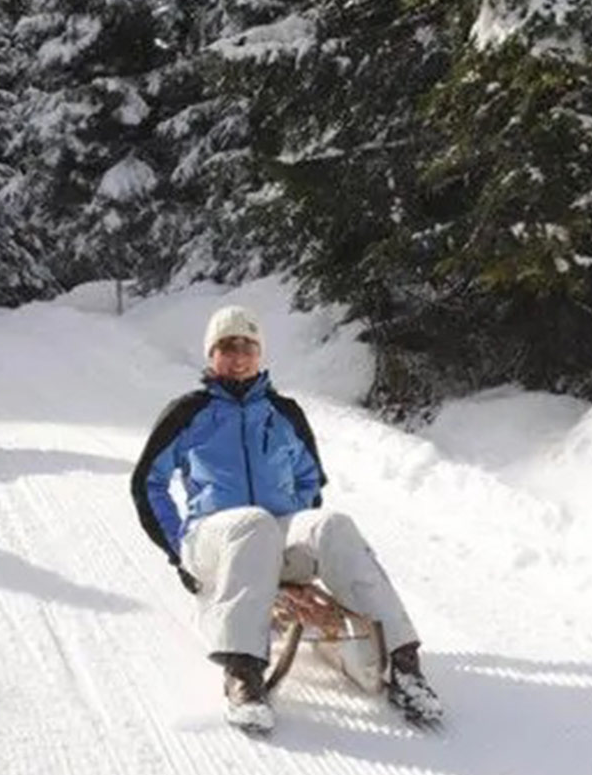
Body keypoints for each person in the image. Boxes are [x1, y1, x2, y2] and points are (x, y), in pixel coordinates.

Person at [129, 304, 443, 734]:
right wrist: (178, 552)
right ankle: (243, 671)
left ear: (259, 354)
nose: (238, 357)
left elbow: (309, 480)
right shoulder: (188, 413)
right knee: (253, 523)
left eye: (248, 347)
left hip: (270, 534)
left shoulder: (284, 413)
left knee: (332, 524)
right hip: (213, 540)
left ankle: (403, 662)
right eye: (227, 347)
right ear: (211, 354)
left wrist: (296, 541)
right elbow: (148, 484)